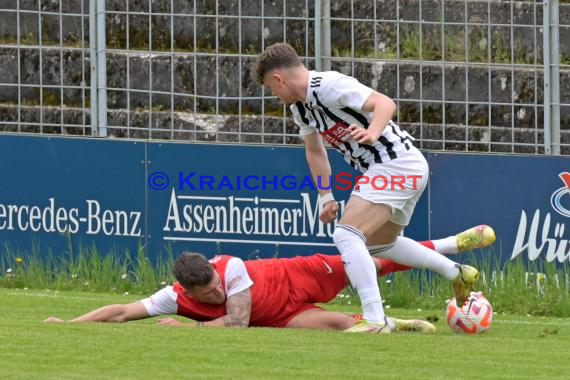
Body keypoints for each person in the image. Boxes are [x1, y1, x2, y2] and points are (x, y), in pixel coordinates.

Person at [253, 43, 482, 332]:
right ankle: (456, 272)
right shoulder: (301, 109)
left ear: (279, 79)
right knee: (378, 244)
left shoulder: (329, 85)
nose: (274, 96)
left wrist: (372, 133)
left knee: (347, 234)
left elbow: (385, 103)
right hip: (395, 168)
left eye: (271, 89)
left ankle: (375, 319)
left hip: (397, 163)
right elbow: (315, 151)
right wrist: (325, 196)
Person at [45, 225, 495, 334]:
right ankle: (402, 326)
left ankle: (454, 245)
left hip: (297, 277)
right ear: (186, 291)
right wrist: (71, 325)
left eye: (217, 286)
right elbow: (123, 311)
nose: (217, 292)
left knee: (377, 260)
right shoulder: (174, 296)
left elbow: (237, 323)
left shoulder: (231, 268)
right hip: (283, 317)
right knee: (342, 326)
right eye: (209, 294)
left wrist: (194, 327)